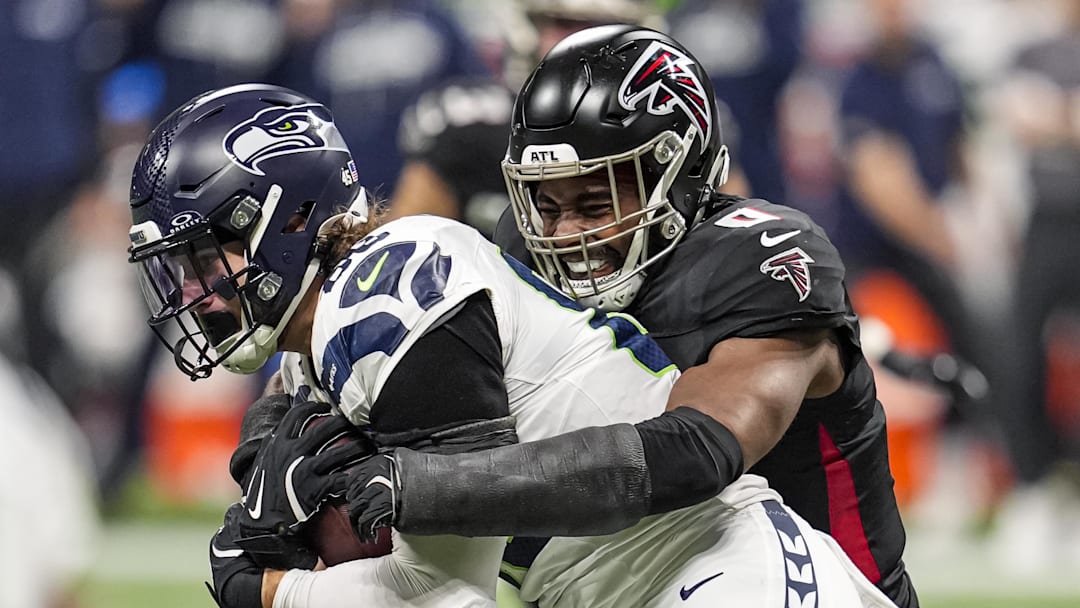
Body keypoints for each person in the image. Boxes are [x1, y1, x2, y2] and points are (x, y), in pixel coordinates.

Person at [126, 83, 895, 608]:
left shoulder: (387, 293)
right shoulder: (316, 349)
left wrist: (267, 590)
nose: (195, 291)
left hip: (715, 573)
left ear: (289, 220)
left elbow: (445, 595)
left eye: (205, 257)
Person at [341, 24, 920, 608]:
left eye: (594, 203)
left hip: (801, 586)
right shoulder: (523, 248)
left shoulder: (760, 258)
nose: (565, 236)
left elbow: (697, 448)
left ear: (681, 176)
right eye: (547, 204)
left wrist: (439, 488)